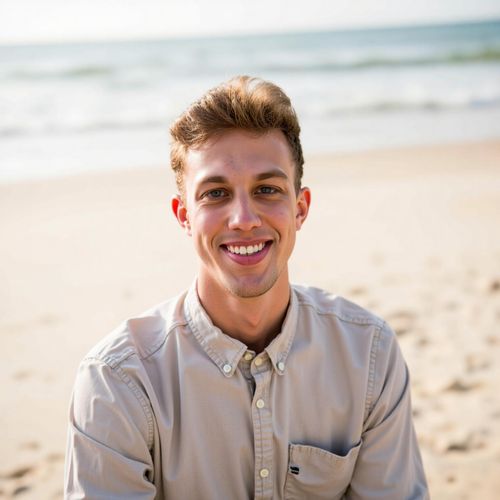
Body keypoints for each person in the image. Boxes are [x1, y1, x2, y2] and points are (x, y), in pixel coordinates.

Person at [64, 75, 428, 499]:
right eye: (216, 193)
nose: (244, 218)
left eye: (267, 189)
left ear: (300, 208)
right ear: (184, 216)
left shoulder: (368, 354)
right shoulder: (118, 381)